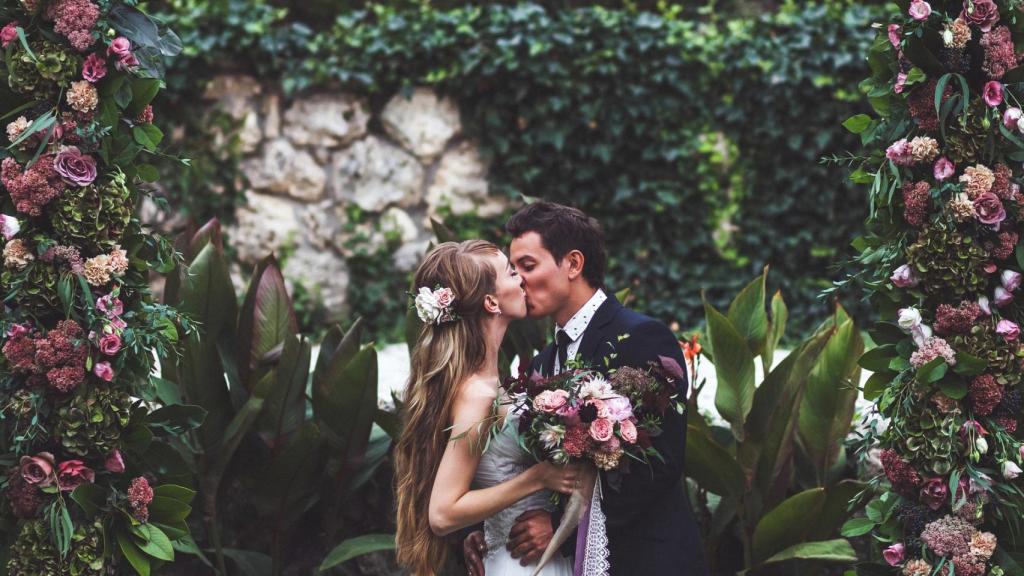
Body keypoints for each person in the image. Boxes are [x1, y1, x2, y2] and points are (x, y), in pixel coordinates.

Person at [463, 202, 708, 575]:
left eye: (528, 266)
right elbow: (537, 467)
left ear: (574, 264)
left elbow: (661, 463)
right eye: (513, 270)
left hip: (644, 560)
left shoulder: (642, 337)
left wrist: (563, 527)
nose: (518, 280)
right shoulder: (543, 361)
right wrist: (490, 528)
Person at [394, 240, 580, 576]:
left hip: (527, 554)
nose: (522, 278)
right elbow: (443, 513)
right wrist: (536, 478)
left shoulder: (489, 381)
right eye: (511, 272)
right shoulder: (478, 394)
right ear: (491, 302)